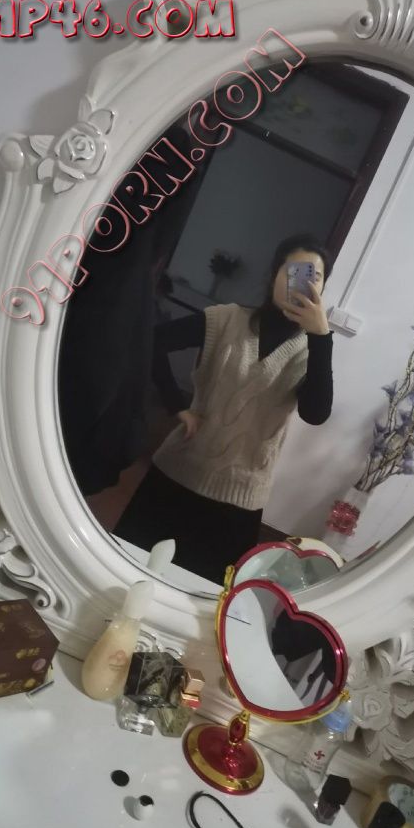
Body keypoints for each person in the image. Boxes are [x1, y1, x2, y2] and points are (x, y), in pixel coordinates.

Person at [113, 234, 335, 584]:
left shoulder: (312, 350)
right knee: (127, 572)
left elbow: (316, 413)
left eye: (313, 276)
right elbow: (151, 340)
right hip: (179, 473)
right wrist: (176, 404)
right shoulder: (226, 319)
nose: (301, 282)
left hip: (241, 497)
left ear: (322, 287)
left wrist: (322, 337)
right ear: (274, 274)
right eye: (293, 271)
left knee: (199, 593)